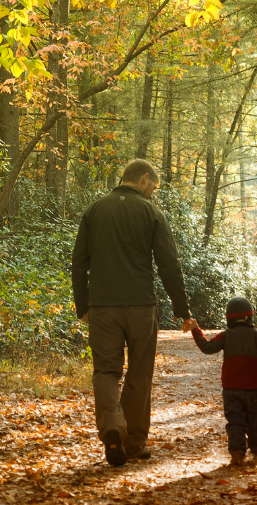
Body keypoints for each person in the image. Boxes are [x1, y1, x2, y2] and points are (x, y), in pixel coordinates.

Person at [72, 159, 195, 467]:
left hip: (102, 307)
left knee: (106, 372)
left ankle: (113, 426)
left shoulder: (94, 211)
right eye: (153, 187)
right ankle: (135, 443)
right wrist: (183, 310)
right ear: (142, 179)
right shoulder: (151, 213)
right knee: (140, 372)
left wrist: (82, 305)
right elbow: (169, 264)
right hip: (141, 306)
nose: (153, 193)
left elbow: (79, 262)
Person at [182, 297, 257, 465]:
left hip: (231, 388)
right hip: (254, 388)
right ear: (249, 317)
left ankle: (238, 453)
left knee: (235, 422)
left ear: (229, 318)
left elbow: (207, 347)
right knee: (255, 420)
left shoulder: (225, 336)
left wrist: (196, 329)